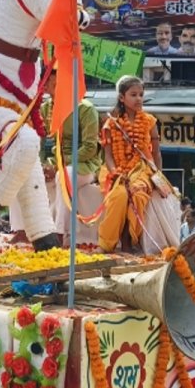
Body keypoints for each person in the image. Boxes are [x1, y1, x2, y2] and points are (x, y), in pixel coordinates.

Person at [97, 76, 163, 253]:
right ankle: (107, 243)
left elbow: (156, 153)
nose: (139, 99)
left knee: (137, 193)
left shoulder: (150, 121)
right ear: (121, 98)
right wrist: (115, 172)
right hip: (118, 169)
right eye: (133, 94)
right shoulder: (111, 123)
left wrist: (159, 177)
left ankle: (131, 240)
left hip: (142, 168)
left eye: (141, 94)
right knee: (119, 195)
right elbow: (108, 156)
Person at [41, 64, 102, 244]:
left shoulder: (85, 109)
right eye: (50, 86)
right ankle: (23, 230)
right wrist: (44, 163)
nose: (53, 90)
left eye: (58, 84)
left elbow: (90, 148)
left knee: (63, 175)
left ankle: (59, 234)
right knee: (27, 172)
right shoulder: (46, 109)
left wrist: (59, 164)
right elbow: (42, 140)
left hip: (84, 165)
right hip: (56, 161)